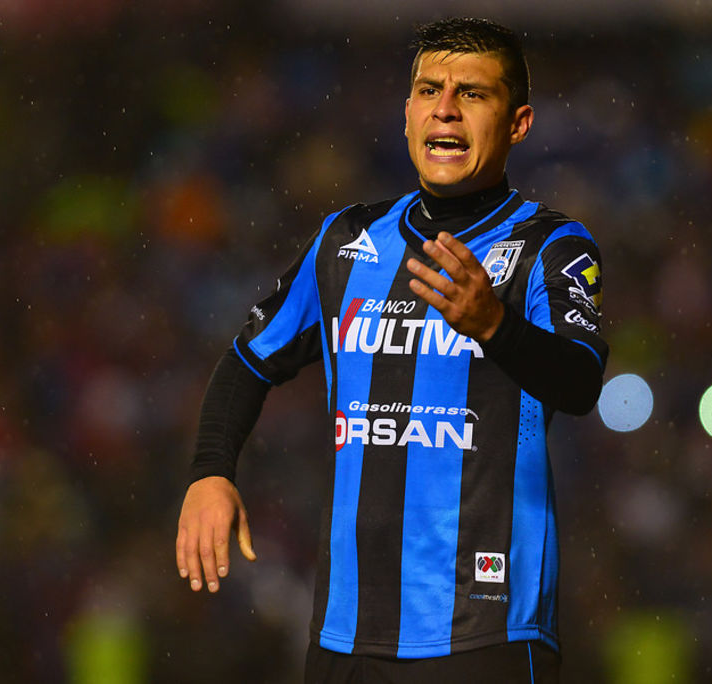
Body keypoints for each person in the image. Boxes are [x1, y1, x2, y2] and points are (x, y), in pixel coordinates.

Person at [175, 17, 608, 683]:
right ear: (407, 113)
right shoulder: (345, 242)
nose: (445, 108)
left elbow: (580, 382)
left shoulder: (550, 245)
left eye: (473, 93)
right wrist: (211, 471)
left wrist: (495, 324)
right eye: (429, 90)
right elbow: (248, 359)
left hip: (485, 628)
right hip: (346, 634)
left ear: (518, 123)